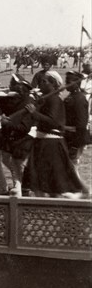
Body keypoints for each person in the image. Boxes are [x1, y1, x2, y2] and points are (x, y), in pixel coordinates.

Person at [25, 70, 88, 198]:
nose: (40, 85)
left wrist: (34, 113)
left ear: (52, 84)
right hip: (44, 140)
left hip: (53, 142)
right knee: (45, 176)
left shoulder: (56, 100)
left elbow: (54, 121)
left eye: (44, 82)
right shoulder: (48, 99)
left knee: (61, 176)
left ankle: (81, 193)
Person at [0, 74, 35, 196]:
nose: (11, 86)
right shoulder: (19, 100)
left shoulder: (28, 103)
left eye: (13, 85)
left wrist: (6, 123)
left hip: (25, 138)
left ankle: (19, 189)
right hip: (15, 137)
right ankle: (20, 185)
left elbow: (24, 127)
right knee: (7, 160)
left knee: (16, 164)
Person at [63, 71, 89, 165]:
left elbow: (81, 124)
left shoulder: (79, 99)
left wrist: (75, 145)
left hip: (75, 138)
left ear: (76, 83)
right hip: (69, 137)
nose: (66, 85)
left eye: (68, 82)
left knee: (72, 168)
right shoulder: (71, 96)